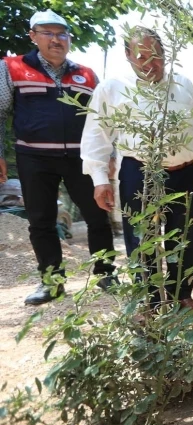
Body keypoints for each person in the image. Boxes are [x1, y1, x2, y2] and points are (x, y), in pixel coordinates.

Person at [81, 26, 193, 309]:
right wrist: (99, 179)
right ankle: (151, 300)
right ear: (128, 55)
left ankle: (181, 294)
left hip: (183, 172)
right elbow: (97, 134)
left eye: (157, 56)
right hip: (138, 171)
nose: (151, 63)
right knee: (142, 236)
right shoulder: (112, 87)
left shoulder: (184, 85)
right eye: (143, 56)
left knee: (185, 236)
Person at [0, 9, 116, 305]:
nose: (56, 39)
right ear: (33, 36)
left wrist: (109, 156)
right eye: (47, 33)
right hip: (34, 159)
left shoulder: (87, 74)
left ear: (68, 38)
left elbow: (102, 119)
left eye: (61, 34)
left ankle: (106, 274)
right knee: (41, 221)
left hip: (81, 158)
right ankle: (52, 284)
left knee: (97, 216)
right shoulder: (11, 68)